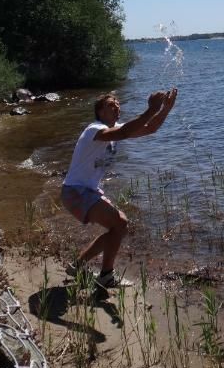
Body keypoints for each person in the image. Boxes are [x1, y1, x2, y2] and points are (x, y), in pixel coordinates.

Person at [62, 88, 178, 287]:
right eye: (110, 105)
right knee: (120, 223)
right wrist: (151, 109)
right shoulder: (94, 129)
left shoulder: (115, 130)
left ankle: (78, 266)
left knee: (119, 227)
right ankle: (106, 275)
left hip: (85, 191)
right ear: (99, 112)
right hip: (75, 192)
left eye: (118, 104)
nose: (116, 106)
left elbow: (150, 129)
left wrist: (165, 110)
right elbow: (125, 132)